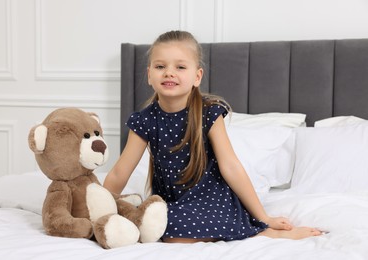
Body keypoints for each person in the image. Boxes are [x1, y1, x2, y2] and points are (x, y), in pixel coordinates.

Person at [104, 30, 322, 243]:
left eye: (180, 67)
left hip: (211, 199)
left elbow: (231, 166)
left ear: (197, 76)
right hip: (171, 202)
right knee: (157, 223)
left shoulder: (208, 113)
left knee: (174, 235)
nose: (169, 72)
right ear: (149, 74)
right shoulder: (144, 120)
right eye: (160, 66)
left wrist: (264, 217)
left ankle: (261, 233)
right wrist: (98, 210)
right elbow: (119, 172)